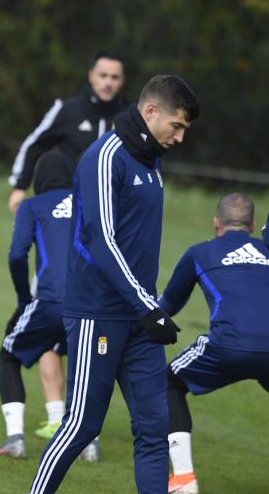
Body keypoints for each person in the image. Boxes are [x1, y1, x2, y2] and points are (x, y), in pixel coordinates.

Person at [29, 75, 200, 494]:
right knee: (82, 426)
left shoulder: (151, 159)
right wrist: (148, 306)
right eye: (176, 126)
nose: (179, 138)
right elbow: (100, 240)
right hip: (97, 315)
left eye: (184, 130)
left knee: (153, 429)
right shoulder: (106, 157)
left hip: (140, 320)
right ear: (151, 111)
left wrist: (146, 308)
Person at [158, 193, 269, 494]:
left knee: (168, 383)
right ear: (252, 225)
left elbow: (167, 306)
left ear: (216, 224)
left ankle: (183, 480)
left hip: (227, 344)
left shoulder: (199, 253)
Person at [0, 153, 99, 461]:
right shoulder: (90, 205)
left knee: (8, 356)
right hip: (89, 305)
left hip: (49, 301)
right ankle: (89, 443)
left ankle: (15, 438)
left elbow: (17, 255)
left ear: (39, 180)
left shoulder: (32, 206)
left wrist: (22, 298)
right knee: (86, 370)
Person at [7, 52, 126, 213]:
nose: (108, 82)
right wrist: (20, 186)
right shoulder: (67, 109)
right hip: (68, 203)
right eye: (103, 75)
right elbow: (34, 145)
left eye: (114, 77)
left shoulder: (129, 117)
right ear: (91, 76)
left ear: (122, 80)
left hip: (114, 206)